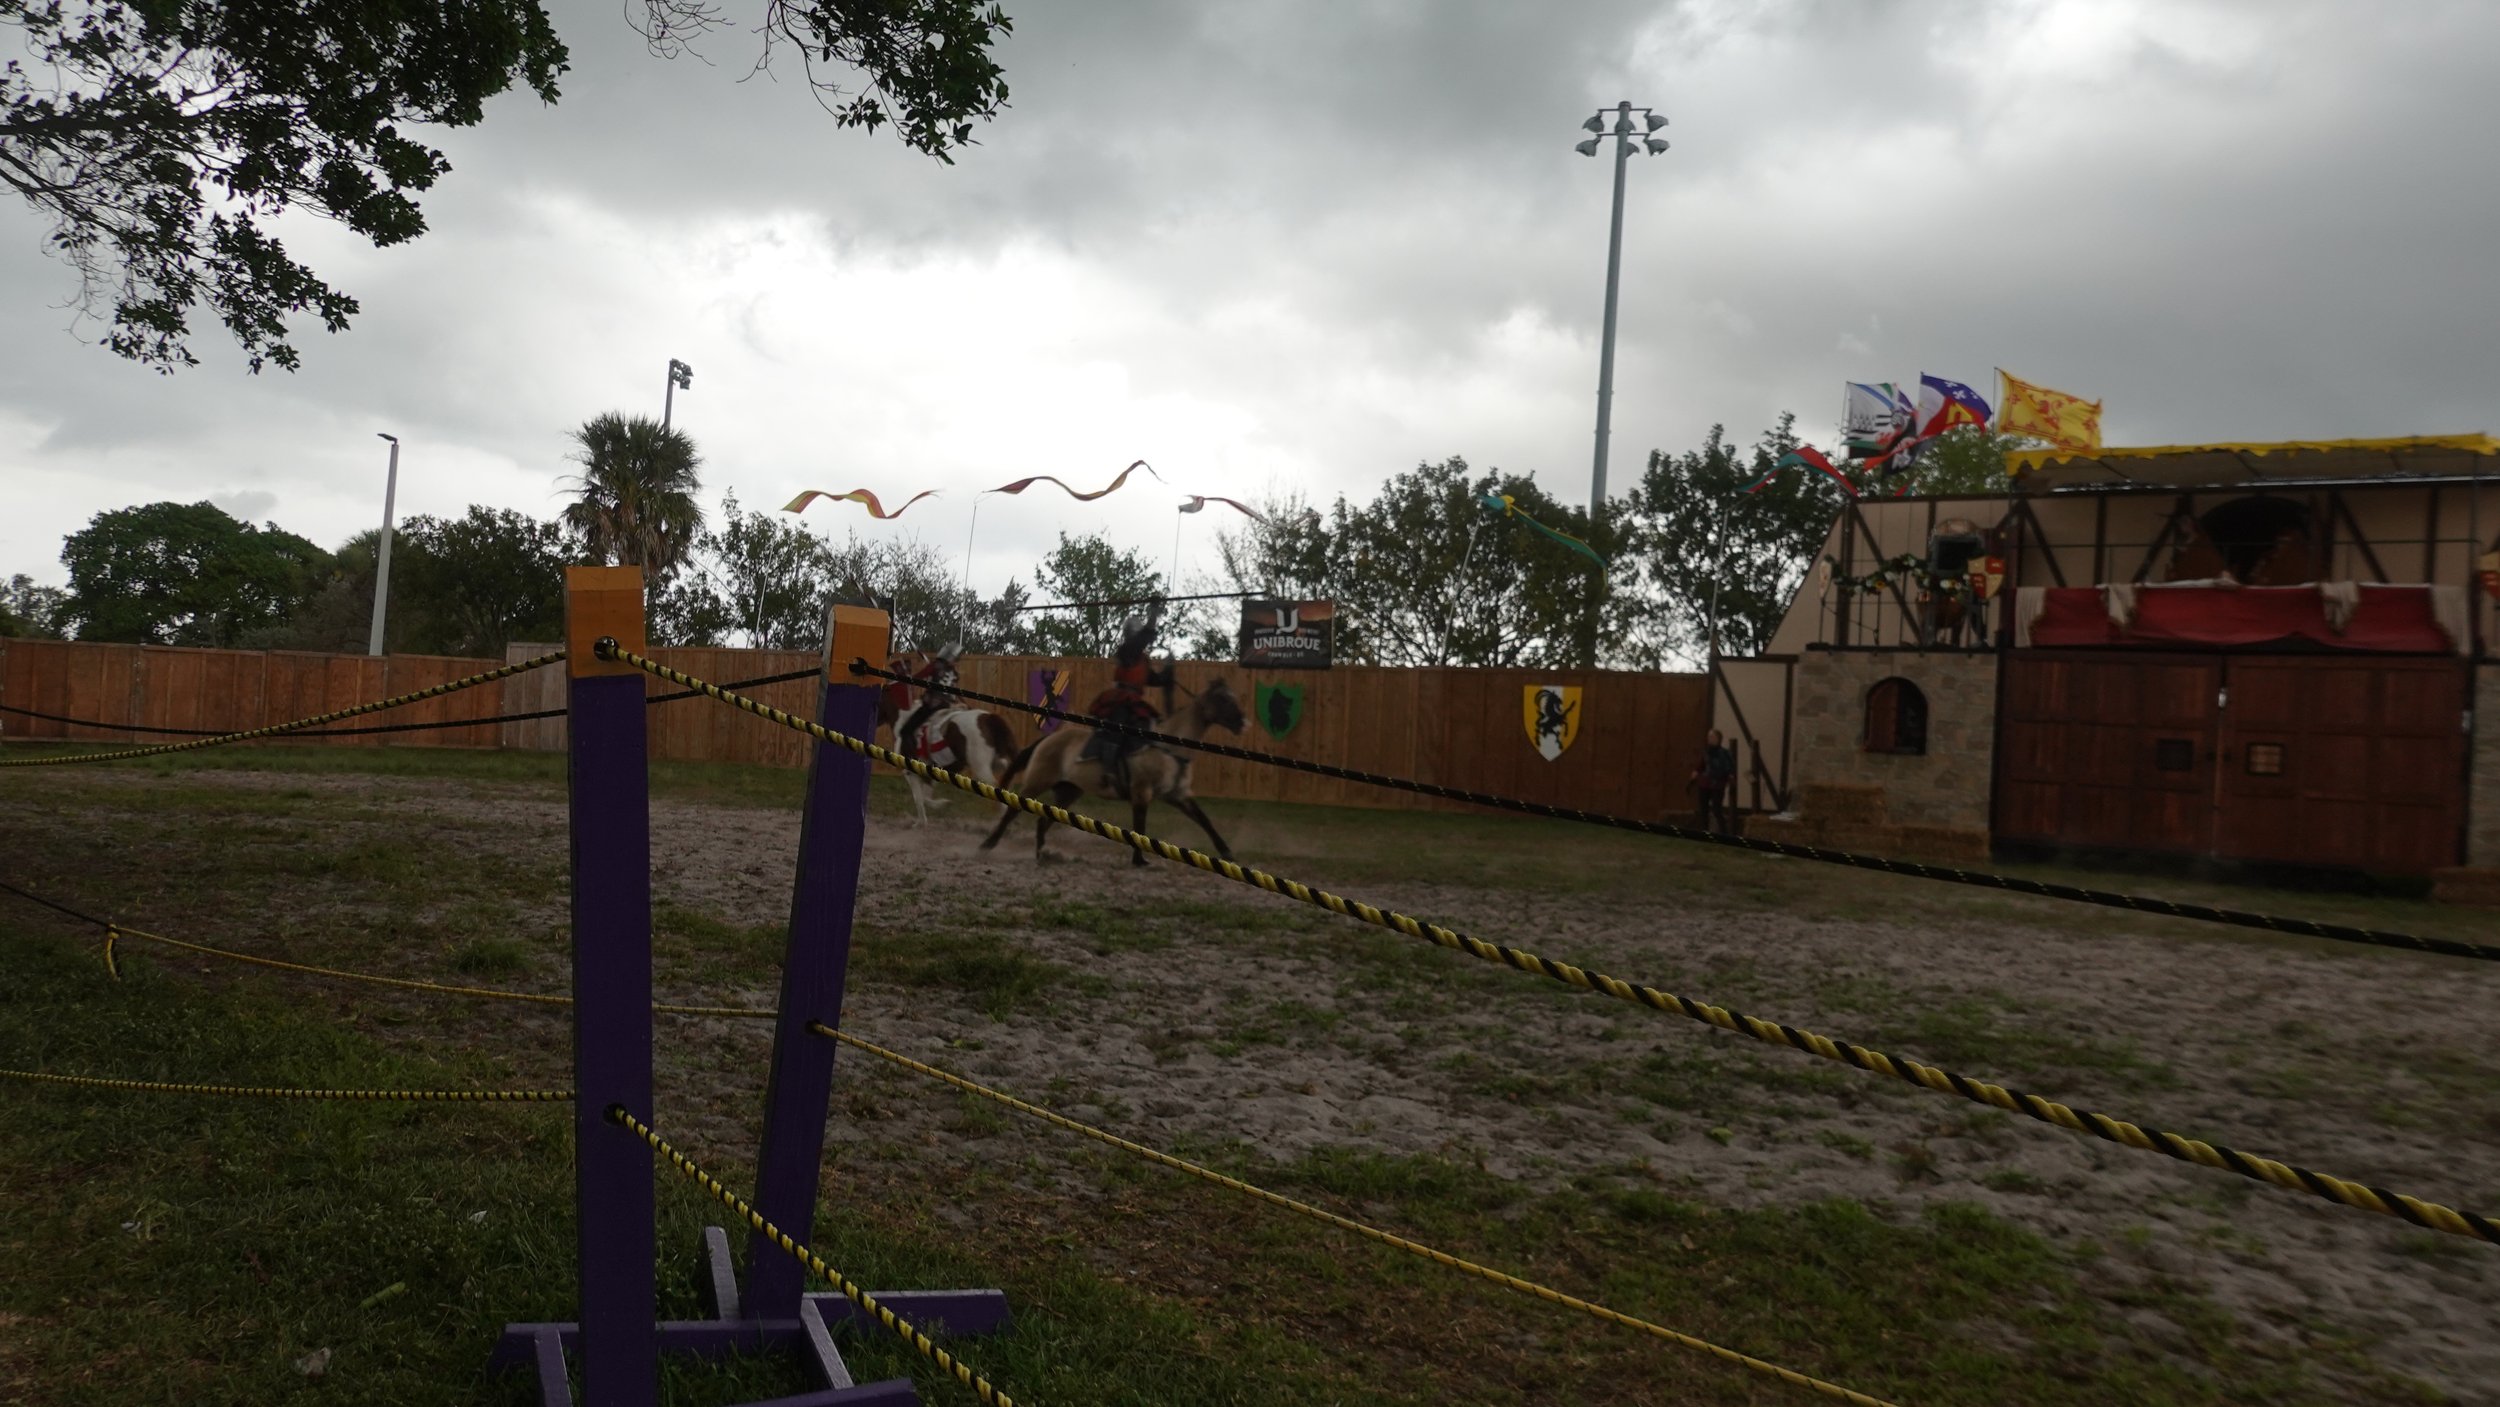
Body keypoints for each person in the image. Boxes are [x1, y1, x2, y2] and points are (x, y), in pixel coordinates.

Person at [1081, 611, 1172, 774]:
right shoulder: (1127, 651)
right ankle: (1108, 767)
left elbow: (1155, 679)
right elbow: (1142, 639)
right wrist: (1153, 613)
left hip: (1134, 700)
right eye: (1138, 635)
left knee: (1150, 723)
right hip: (1120, 698)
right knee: (1119, 722)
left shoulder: (1142, 659)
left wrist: (1167, 669)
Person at [891, 641, 964, 762]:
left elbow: (916, 678)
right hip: (948, 705)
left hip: (932, 706)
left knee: (906, 731)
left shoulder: (935, 665)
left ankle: (912, 759)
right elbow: (954, 691)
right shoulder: (954, 673)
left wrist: (905, 678)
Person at [1689, 728, 1737, 834]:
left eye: (1712, 736)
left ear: (1718, 738)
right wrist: (1695, 773)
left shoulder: (1725, 753)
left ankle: (1724, 833)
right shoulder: (1706, 752)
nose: (1709, 739)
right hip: (1705, 784)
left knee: (1717, 810)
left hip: (1718, 785)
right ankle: (1705, 832)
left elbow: (1730, 768)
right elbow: (1701, 765)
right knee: (1703, 810)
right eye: (1708, 737)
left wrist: (1730, 779)